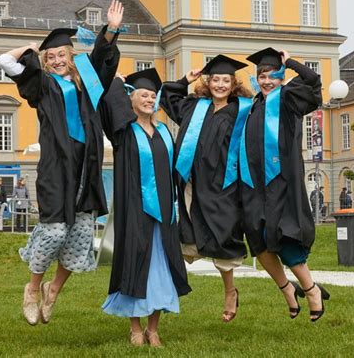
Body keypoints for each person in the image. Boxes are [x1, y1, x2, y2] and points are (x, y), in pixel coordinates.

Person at [0, 0, 123, 325]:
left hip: (86, 169)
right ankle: (33, 288)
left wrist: (110, 29)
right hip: (56, 170)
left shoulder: (89, 84)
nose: (56, 61)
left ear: (71, 57)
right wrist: (27, 47)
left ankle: (54, 290)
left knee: (80, 236)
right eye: (50, 57)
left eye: (61, 56)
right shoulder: (43, 85)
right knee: (54, 233)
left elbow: (103, 58)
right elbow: (5, 62)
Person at [101, 68, 190, 348]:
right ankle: (135, 327)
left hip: (164, 210)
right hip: (135, 210)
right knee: (137, 263)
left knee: (161, 267)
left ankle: (153, 329)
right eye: (143, 95)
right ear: (130, 99)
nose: (150, 100)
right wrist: (119, 81)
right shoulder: (123, 131)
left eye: (153, 96)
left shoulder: (164, 131)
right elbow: (108, 100)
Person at [239, 47, 330, 322]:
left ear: (280, 77)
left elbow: (313, 81)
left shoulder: (289, 98)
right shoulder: (253, 105)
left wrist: (289, 62)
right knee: (258, 242)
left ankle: (311, 289)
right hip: (253, 186)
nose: (266, 80)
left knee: (284, 237)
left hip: (281, 182)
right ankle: (287, 289)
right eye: (262, 75)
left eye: (272, 75)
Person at [160, 55, 251, 323]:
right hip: (192, 184)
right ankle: (167, 292)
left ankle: (230, 292)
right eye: (215, 79)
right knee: (184, 240)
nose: (220, 85)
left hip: (224, 187)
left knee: (223, 240)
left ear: (233, 83)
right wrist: (185, 79)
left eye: (226, 80)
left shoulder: (242, 111)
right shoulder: (194, 107)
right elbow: (167, 96)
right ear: (207, 82)